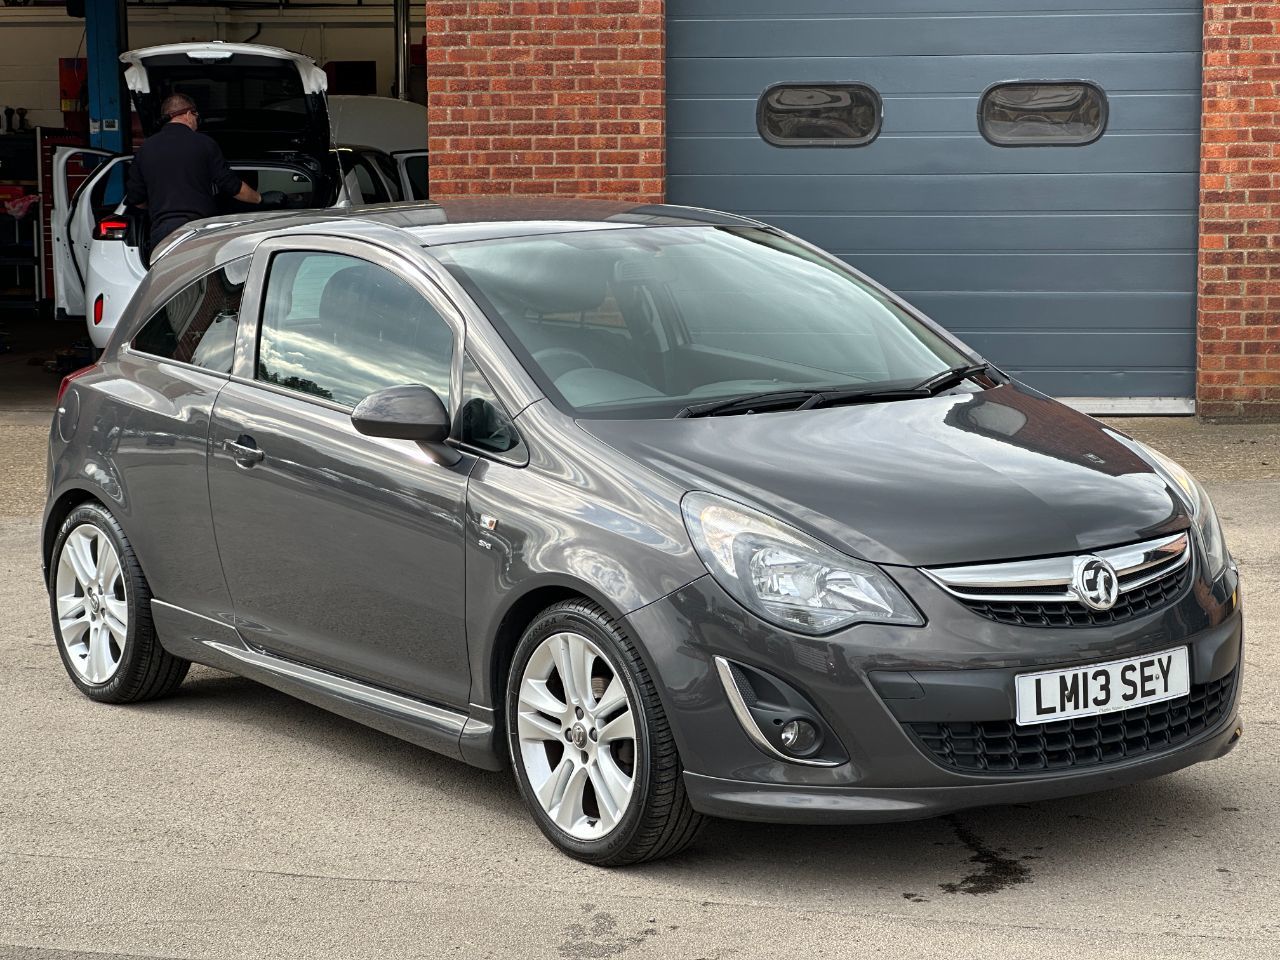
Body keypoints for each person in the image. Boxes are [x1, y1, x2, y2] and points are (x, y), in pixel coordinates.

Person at [125, 93, 286, 251]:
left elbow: (136, 198)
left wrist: (159, 205)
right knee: (200, 277)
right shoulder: (204, 143)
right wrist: (260, 199)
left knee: (167, 277)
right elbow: (232, 186)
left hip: (162, 234)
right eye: (196, 116)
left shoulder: (145, 149)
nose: (197, 122)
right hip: (196, 231)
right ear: (188, 114)